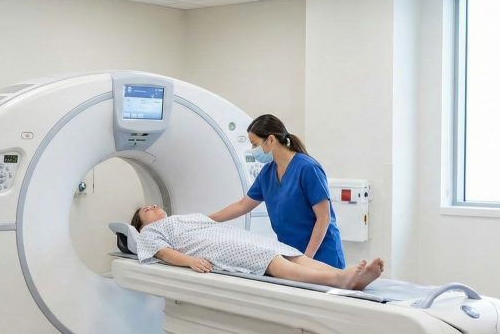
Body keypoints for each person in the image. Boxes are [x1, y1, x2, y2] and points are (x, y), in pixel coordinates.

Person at [130, 205, 383, 291]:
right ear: (141, 224)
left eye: (154, 204)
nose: (152, 206)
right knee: (270, 259)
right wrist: (189, 261)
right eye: (146, 210)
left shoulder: (185, 216)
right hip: (211, 246)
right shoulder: (149, 233)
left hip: (225, 234)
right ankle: (339, 279)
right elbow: (162, 253)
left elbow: (217, 219)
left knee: (289, 252)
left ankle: (351, 277)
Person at [209, 114, 345, 269]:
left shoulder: (307, 168)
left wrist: (307, 260)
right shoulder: (268, 173)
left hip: (321, 256)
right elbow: (242, 205)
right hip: (291, 255)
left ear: (271, 140)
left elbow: (324, 217)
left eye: (255, 144)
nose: (253, 150)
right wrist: (207, 220)